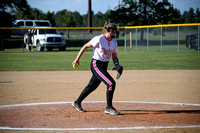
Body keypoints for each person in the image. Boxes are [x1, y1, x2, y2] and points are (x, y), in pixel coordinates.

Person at [71, 22, 123, 115]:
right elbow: (85, 46)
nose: (114, 33)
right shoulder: (99, 39)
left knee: (92, 86)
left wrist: (117, 65)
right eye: (112, 31)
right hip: (96, 65)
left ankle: (77, 102)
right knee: (111, 83)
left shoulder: (114, 42)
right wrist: (77, 59)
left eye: (115, 31)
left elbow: (114, 56)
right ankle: (109, 107)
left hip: (104, 66)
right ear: (107, 30)